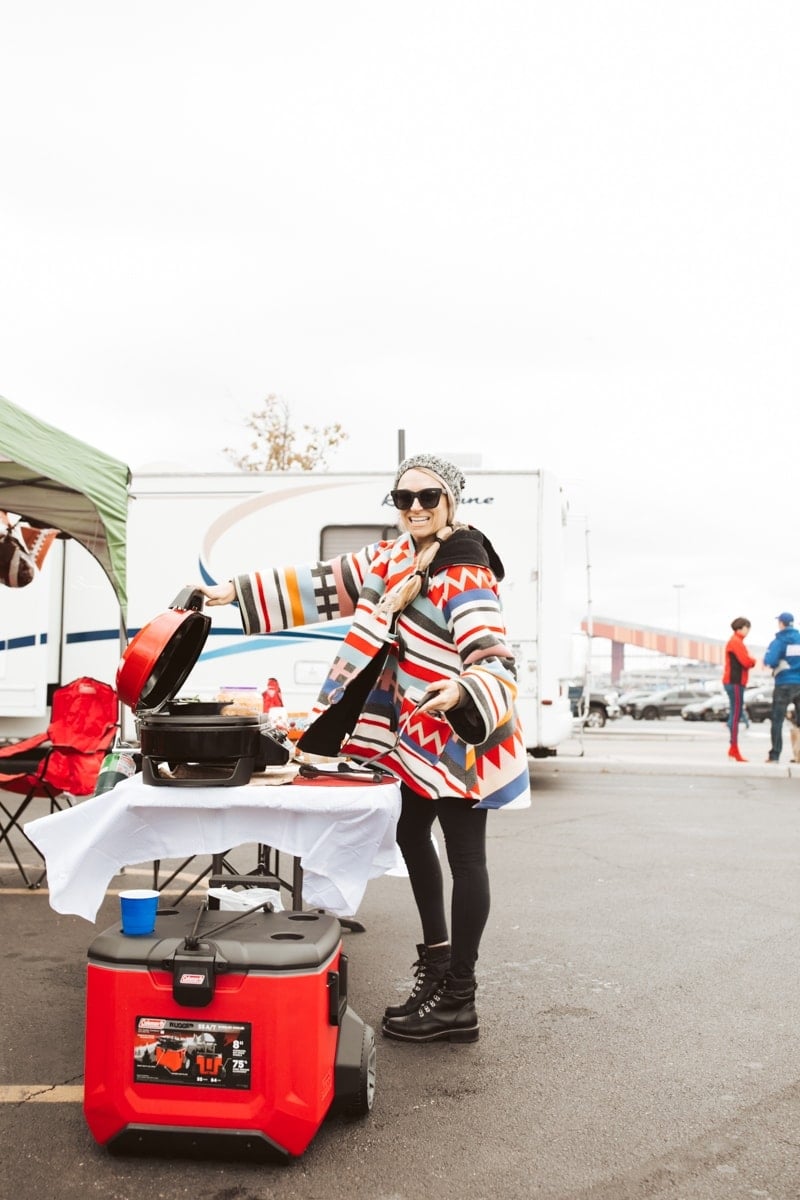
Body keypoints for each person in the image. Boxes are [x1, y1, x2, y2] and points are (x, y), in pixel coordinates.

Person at [196, 453, 531, 1045]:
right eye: (404, 499)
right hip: (412, 733)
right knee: (409, 835)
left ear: (451, 501)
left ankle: (459, 997)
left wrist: (461, 689)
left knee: (465, 857)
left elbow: (491, 650)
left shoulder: (465, 567)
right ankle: (436, 969)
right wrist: (229, 592)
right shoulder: (393, 558)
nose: (417, 508)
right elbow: (322, 581)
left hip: (460, 729)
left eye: (428, 497)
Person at [763, 611, 800, 763]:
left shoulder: (779, 641)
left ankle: (775, 755)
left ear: (781, 623)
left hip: (784, 683)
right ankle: (799, 754)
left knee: (777, 720)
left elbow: (770, 660)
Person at [722, 617, 756, 762]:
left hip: (734, 682)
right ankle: (734, 749)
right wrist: (753, 660)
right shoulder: (736, 642)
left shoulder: (736, 641)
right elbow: (746, 661)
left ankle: (733, 748)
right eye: (748, 628)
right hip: (735, 682)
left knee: (735, 714)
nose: (748, 631)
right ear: (742, 628)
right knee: (736, 716)